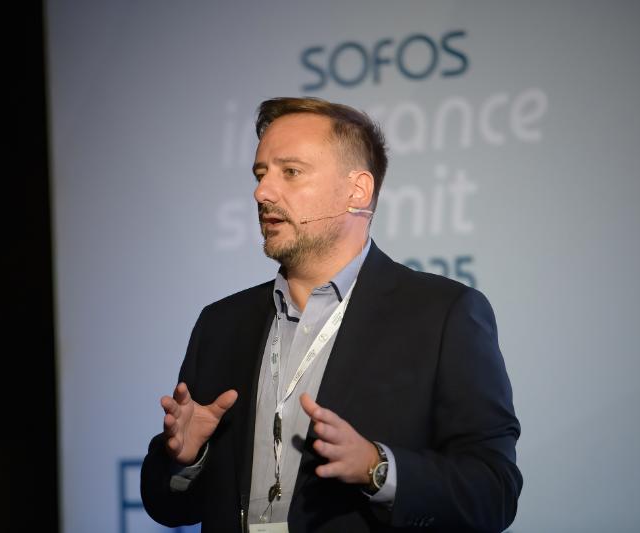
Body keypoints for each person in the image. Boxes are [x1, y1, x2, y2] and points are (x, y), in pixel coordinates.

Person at [141, 97, 522, 532]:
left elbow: (494, 491)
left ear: (357, 191)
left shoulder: (442, 316)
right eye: (261, 175)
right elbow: (166, 506)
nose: (262, 193)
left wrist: (378, 469)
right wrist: (186, 458)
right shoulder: (222, 324)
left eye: (290, 172)